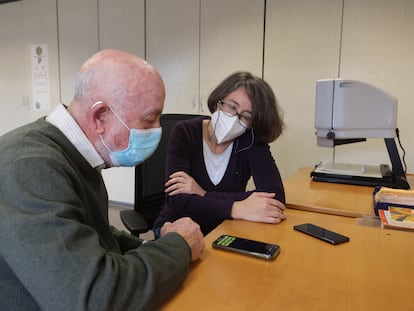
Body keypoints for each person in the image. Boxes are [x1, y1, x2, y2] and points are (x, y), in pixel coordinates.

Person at [0, 49, 205, 311]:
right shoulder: (31, 168)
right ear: (100, 117)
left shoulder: (72, 155)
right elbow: (95, 298)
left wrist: (151, 245)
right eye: (149, 120)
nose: (156, 131)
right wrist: (179, 247)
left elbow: (92, 232)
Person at [153, 71, 286, 237]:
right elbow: (177, 201)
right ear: (218, 103)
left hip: (225, 227)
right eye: (231, 106)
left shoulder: (250, 140)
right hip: (178, 226)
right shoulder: (184, 132)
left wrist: (202, 194)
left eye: (246, 116)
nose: (234, 118)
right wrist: (237, 207)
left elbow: (275, 195)